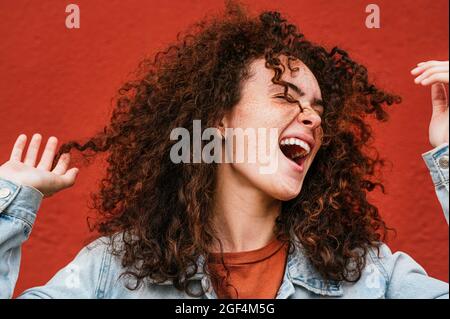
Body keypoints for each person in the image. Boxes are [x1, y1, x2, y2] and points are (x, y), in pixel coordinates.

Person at [0, 3, 448, 299]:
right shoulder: (110, 273)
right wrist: (9, 202)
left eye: (317, 108)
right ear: (217, 121)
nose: (312, 118)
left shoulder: (371, 275)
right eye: (287, 97)